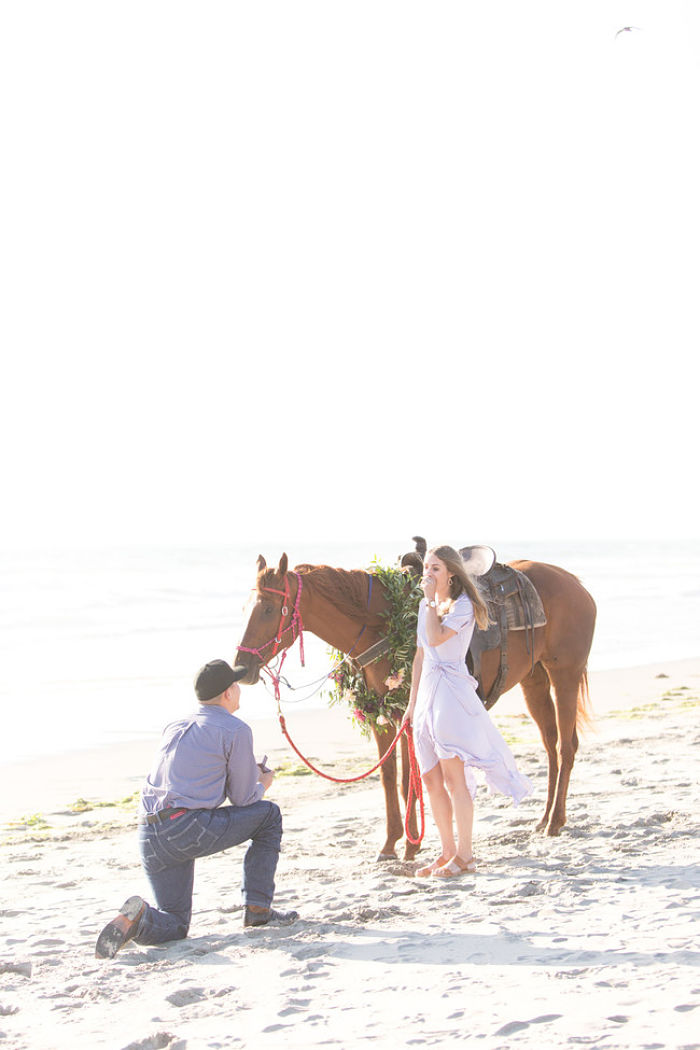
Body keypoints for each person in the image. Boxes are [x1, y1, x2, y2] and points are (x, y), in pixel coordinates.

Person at [95, 659, 298, 959]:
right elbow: (244, 799)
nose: (239, 691)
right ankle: (257, 910)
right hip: (184, 826)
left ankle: (139, 919)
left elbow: (195, 773)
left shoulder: (175, 725)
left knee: (176, 924)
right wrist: (263, 782)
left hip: (149, 832)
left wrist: (244, 773)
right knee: (269, 816)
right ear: (229, 693)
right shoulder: (235, 729)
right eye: (236, 686)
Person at [403, 545, 533, 878]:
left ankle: (466, 855)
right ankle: (447, 851)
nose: (428, 575)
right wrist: (411, 704)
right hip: (427, 695)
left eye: (435, 569)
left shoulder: (464, 607)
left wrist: (431, 601)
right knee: (431, 779)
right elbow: (420, 656)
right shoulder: (425, 605)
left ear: (451, 574)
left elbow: (434, 638)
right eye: (426, 568)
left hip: (451, 695)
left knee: (453, 778)